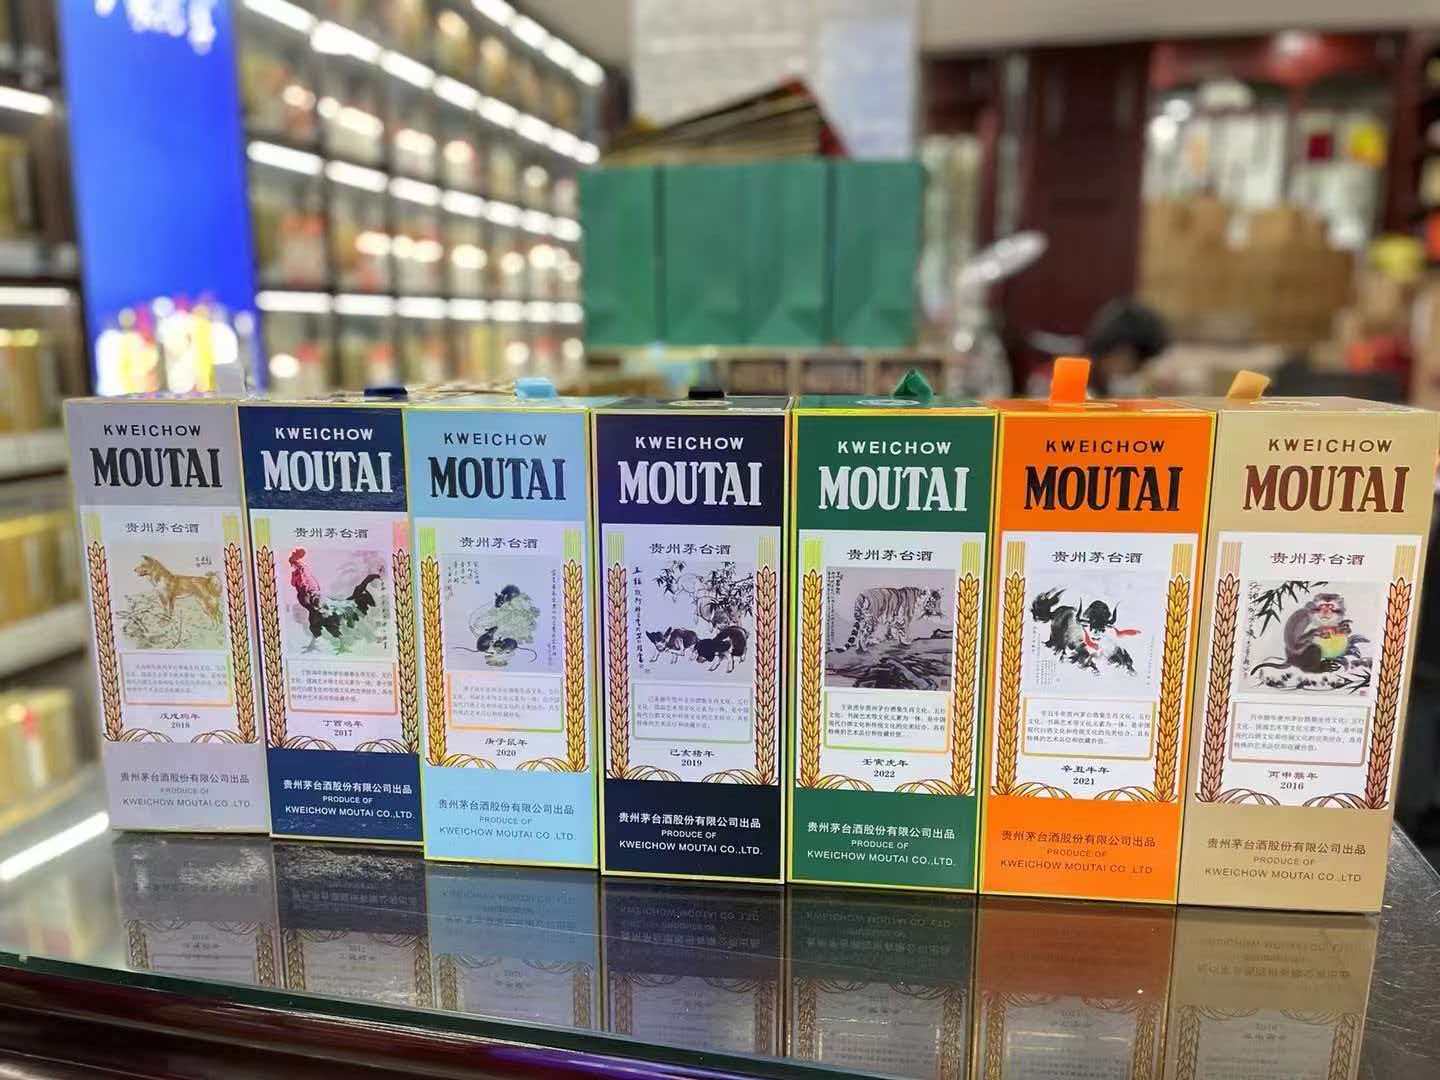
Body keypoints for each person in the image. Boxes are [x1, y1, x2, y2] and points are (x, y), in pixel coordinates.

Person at [1084, 298, 1170, 396]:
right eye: (1112, 358)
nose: (1117, 367)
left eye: (1124, 358)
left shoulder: (1157, 381)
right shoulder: (1087, 383)